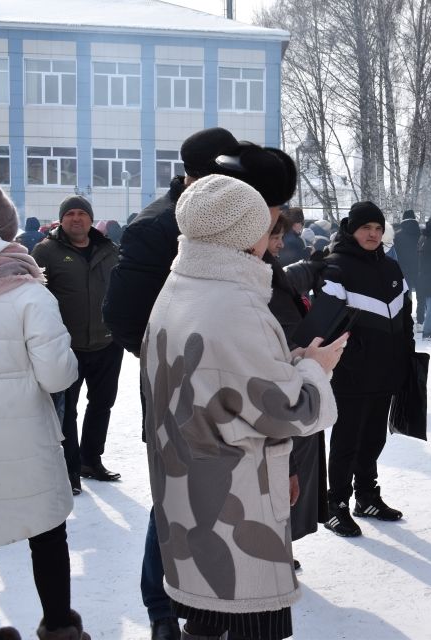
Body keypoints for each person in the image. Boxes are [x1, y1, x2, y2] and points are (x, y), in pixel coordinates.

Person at [102, 127, 298, 640]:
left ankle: (218, 599)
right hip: (189, 393)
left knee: (218, 504)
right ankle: (166, 610)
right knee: (178, 505)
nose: (271, 226)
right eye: (268, 211)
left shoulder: (232, 221)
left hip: (241, 388)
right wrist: (193, 364)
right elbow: (123, 316)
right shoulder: (161, 227)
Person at [142, 175, 341, 640]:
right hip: (234, 497)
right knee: (246, 619)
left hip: (190, 483)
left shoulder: (184, 283)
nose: (271, 232)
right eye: (264, 222)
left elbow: (223, 380)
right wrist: (315, 369)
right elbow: (294, 411)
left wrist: (286, 364)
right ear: (243, 232)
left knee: (207, 619)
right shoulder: (235, 305)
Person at [0, 181, 89, 640]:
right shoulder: (29, 293)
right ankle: (60, 625)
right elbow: (55, 376)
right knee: (47, 534)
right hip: (26, 440)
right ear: (5, 228)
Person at [311, 201, 414, 537]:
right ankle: (335, 504)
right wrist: (346, 359)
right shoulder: (336, 267)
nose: (373, 233)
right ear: (350, 229)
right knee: (346, 442)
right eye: (366, 227)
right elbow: (327, 324)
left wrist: (405, 357)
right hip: (351, 372)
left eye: (378, 228)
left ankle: (367, 496)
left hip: (386, 371)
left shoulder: (391, 268)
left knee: (373, 439)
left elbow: (405, 319)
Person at [32, 194, 122, 494]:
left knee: (102, 403)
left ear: (90, 218)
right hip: (65, 345)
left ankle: (90, 460)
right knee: (65, 410)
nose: (76, 218)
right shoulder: (45, 252)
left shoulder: (109, 249)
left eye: (81, 213)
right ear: (62, 219)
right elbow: (35, 298)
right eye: (69, 213)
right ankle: (69, 470)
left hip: (107, 343)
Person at [263, 213, 331, 548]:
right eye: (274, 236)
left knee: (291, 472)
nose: (279, 243)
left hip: (292, 374)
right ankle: (275, 547)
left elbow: (290, 279)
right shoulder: (251, 277)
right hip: (282, 381)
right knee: (282, 474)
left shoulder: (267, 267)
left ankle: (281, 545)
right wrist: (303, 357)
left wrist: (316, 263)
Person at [393, 209, 422, 326]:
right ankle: (420, 321)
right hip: (419, 268)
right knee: (421, 295)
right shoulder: (421, 233)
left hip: (403, 269)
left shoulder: (397, 235)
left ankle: (406, 317)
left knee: (406, 294)